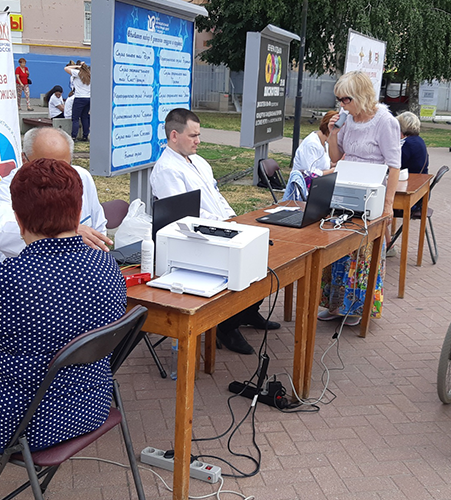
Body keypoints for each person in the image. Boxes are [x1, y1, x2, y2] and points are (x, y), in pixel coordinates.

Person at [0, 158, 127, 453]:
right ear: (79, 213)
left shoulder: (10, 280)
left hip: (22, 426)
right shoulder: (107, 266)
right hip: (93, 408)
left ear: (18, 220)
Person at [150, 108, 280, 355]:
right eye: (193, 135)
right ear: (174, 135)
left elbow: (216, 196)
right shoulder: (167, 170)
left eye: (199, 135)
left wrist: (233, 219)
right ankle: (227, 326)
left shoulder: (198, 161)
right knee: (245, 262)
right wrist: (225, 225)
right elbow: (185, 217)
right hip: (195, 239)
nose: (198, 141)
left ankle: (248, 311)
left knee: (265, 254)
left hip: (219, 227)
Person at [318, 71, 401, 324]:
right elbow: (335, 157)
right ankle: (335, 305)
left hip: (371, 191)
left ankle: (357, 307)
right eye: (339, 99)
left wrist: (388, 204)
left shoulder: (385, 121)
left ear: (361, 96)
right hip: (346, 187)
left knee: (362, 251)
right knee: (338, 246)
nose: (342, 105)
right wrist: (333, 134)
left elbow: (394, 165)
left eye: (346, 99)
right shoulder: (348, 120)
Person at [0, 127, 111, 260]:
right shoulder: (6, 191)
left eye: (63, 167)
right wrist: (68, 235)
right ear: (24, 159)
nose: (55, 174)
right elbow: (5, 232)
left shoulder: (82, 177)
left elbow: (98, 228)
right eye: (43, 168)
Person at [292, 110, 338, 178]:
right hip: (305, 183)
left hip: (320, 181)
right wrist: (332, 171)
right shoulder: (311, 144)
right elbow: (310, 173)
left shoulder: (325, 143)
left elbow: (320, 164)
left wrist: (333, 165)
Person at [64, 62, 91, 141]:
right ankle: (85, 136)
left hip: (79, 98)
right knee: (85, 117)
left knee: (75, 118)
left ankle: (74, 136)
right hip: (88, 98)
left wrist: (77, 66)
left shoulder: (78, 73)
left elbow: (66, 68)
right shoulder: (90, 75)